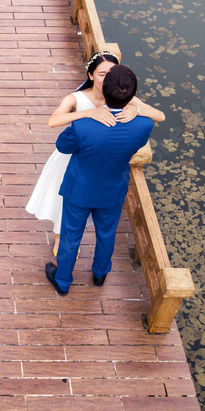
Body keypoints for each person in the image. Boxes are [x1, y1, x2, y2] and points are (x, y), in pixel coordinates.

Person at [25, 50, 164, 255]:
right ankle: (59, 238)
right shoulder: (76, 98)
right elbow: (53, 121)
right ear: (90, 75)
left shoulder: (124, 95)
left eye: (112, 73)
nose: (107, 78)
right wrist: (90, 113)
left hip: (101, 162)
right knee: (61, 202)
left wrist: (137, 110)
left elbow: (159, 115)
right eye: (102, 74)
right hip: (72, 158)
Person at [45, 64, 154, 295]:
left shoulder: (84, 125)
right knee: (107, 233)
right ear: (131, 94)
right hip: (113, 190)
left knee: (70, 236)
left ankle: (63, 280)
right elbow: (150, 123)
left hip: (79, 190)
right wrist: (136, 110)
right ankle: (100, 273)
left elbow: (63, 147)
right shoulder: (143, 124)